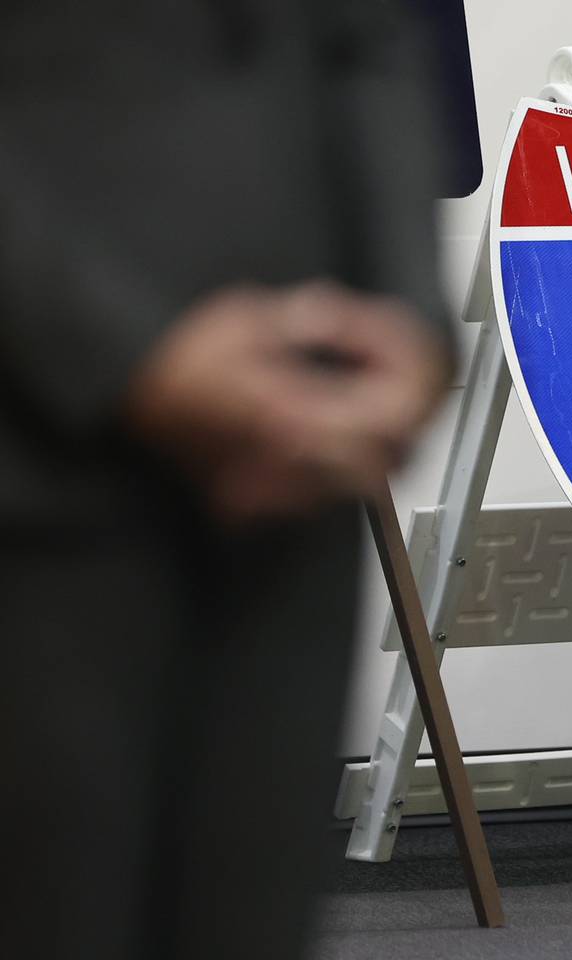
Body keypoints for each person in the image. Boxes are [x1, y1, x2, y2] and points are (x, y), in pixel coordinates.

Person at [1, 2, 454, 956]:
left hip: (297, 473)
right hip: (38, 463)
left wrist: (410, 332)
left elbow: (372, 45)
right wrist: (130, 361)